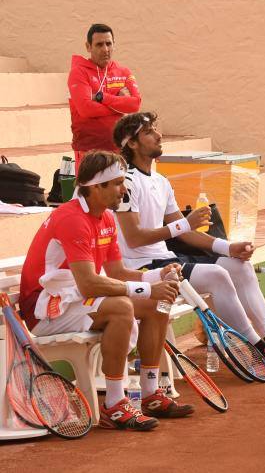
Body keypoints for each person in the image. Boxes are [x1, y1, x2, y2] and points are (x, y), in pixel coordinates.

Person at [111, 112, 265, 378]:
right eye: (149, 132)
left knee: (237, 265)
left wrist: (228, 247)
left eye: (156, 129)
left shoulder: (161, 182)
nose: (158, 135)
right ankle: (258, 352)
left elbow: (185, 233)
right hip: (141, 266)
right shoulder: (126, 183)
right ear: (132, 143)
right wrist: (183, 224)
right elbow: (134, 237)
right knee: (217, 275)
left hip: (166, 258)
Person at [19, 151, 194, 431]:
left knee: (155, 304)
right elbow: (89, 283)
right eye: (116, 183)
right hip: (47, 309)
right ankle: (115, 404)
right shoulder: (72, 219)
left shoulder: (107, 218)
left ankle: (150, 394)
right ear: (94, 187)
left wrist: (156, 276)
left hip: (75, 299)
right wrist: (147, 287)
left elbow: (117, 274)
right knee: (123, 306)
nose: (123, 189)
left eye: (123, 182)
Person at [68, 24, 141, 172]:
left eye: (109, 43)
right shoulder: (79, 72)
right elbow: (85, 109)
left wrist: (102, 98)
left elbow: (135, 104)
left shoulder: (123, 72)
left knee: (119, 194)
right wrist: (119, 105)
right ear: (88, 46)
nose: (105, 49)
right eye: (99, 44)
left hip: (120, 150)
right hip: (89, 151)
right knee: (91, 194)